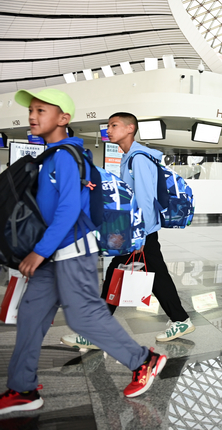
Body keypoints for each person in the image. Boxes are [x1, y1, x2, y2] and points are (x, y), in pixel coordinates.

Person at [1, 89, 166, 415]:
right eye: (32, 110)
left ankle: (143, 360)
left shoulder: (66, 156)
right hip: (53, 254)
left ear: (63, 118)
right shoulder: (52, 156)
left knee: (83, 316)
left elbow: (68, 209)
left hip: (72, 251)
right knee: (31, 315)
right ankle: (23, 388)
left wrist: (38, 251)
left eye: (41, 110)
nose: (33, 116)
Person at [62, 112, 195, 349]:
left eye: (114, 125)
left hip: (140, 231)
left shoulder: (138, 159)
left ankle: (96, 333)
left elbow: (145, 200)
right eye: (108, 125)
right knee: (154, 276)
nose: (109, 130)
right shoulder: (131, 157)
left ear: (130, 128)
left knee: (119, 274)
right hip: (140, 230)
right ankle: (180, 319)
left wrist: (139, 236)